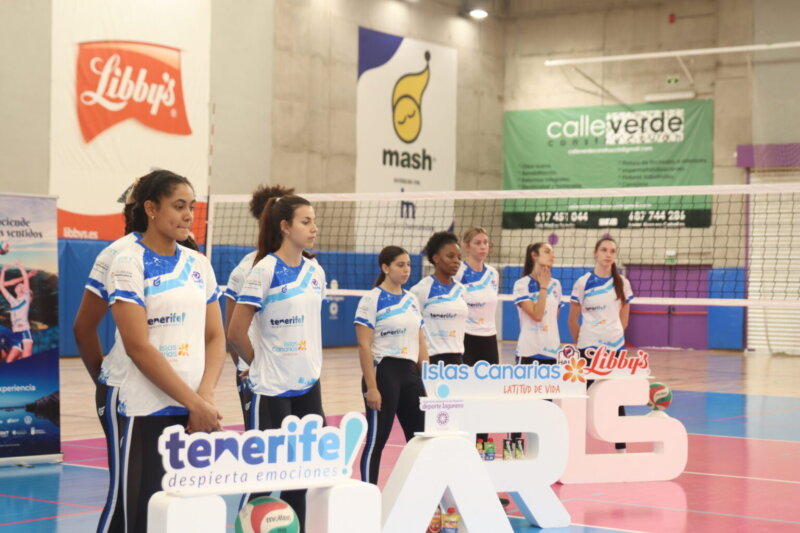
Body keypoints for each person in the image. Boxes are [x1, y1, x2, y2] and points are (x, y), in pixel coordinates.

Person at [107, 170, 225, 533]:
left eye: (191, 206)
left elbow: (215, 337)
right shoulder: (128, 264)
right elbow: (138, 347)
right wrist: (195, 403)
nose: (188, 214)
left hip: (193, 417)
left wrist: (203, 399)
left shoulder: (199, 264)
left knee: (182, 518)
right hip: (146, 410)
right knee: (141, 517)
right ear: (151, 209)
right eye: (178, 206)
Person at [227, 193, 325, 533]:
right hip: (270, 389)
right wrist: (260, 364)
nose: (314, 227)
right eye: (306, 221)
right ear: (285, 227)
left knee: (301, 474)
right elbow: (235, 332)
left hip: (308, 386)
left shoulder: (315, 270)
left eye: (314, 220)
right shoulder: (263, 270)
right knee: (265, 477)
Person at [223, 184, 295, 427]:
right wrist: (253, 365)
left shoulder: (306, 268)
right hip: (259, 376)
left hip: (295, 376)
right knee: (267, 449)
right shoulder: (249, 269)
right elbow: (232, 332)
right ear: (284, 223)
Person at [356, 246, 428, 485]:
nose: (406, 269)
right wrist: (372, 387)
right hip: (384, 373)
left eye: (408, 264)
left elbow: (420, 341)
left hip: (410, 374)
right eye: (400, 264)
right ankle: (368, 493)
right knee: (378, 439)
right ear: (385, 268)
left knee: (420, 438)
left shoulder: (412, 300)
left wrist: (427, 379)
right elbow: (365, 346)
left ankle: (421, 493)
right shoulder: (371, 300)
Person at [568, 236, 634, 452]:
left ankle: (621, 447)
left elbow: (624, 318)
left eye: (612, 251)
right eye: (604, 250)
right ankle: (571, 446)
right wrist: (584, 343)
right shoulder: (583, 282)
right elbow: (572, 320)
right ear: (596, 253)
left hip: (615, 348)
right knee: (581, 395)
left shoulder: (622, 283)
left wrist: (613, 336)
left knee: (616, 395)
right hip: (589, 346)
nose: (608, 254)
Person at [410, 231, 468, 366]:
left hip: (458, 358)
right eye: (450, 256)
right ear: (436, 258)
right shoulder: (421, 289)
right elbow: (413, 330)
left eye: (459, 257)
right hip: (431, 359)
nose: (456, 261)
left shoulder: (461, 290)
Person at [455, 227, 499, 366]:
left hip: (490, 337)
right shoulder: (458, 272)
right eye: (477, 243)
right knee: (465, 385)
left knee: (490, 385)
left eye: (485, 242)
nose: (483, 247)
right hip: (466, 336)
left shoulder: (493, 273)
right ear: (466, 246)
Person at [514, 243, 562, 365]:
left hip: (552, 352)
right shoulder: (521, 284)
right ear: (534, 255)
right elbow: (537, 315)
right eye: (547, 251)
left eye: (552, 252)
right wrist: (544, 287)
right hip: (529, 352)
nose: (552, 255)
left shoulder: (556, 285)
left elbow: (552, 320)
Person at [0, 261, 34, 362]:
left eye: (21, 285)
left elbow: (26, 280)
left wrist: (21, 267)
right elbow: (1, 287)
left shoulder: (26, 299)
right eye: (18, 285)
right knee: (16, 361)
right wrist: (3, 271)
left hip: (24, 332)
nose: (19, 285)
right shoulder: (12, 301)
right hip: (14, 334)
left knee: (26, 359)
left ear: (25, 290)